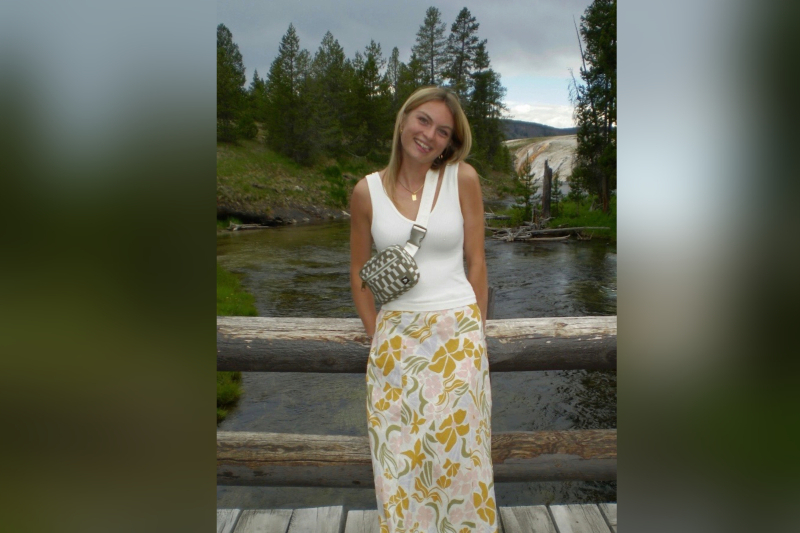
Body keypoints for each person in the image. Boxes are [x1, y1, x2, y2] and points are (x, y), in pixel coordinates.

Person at [350, 86, 497, 533]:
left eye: (443, 131)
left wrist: (475, 336)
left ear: (450, 143)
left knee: (461, 455)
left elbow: (477, 261)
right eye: (423, 120)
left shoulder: (462, 178)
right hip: (397, 341)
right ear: (404, 119)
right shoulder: (366, 192)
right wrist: (377, 334)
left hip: (458, 335)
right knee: (401, 457)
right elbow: (358, 272)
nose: (429, 135)